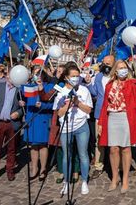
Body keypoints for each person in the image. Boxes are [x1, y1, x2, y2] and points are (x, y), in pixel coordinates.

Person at [98, 60, 136, 194]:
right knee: (113, 149)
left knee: (126, 149)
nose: (123, 70)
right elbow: (105, 104)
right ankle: (115, 178)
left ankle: (125, 179)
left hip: (126, 118)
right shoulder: (110, 85)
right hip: (112, 118)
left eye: (125, 68)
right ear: (115, 70)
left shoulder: (132, 83)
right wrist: (101, 123)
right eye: (120, 68)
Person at [54, 64, 93, 195]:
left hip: (82, 126)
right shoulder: (60, 91)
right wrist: (68, 104)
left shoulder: (83, 90)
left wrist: (78, 103)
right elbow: (59, 113)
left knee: (83, 154)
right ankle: (66, 182)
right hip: (66, 127)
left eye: (77, 76)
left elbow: (88, 110)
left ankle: (84, 182)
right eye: (73, 76)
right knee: (67, 155)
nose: (76, 78)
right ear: (66, 77)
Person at [0, 72, 24, 183]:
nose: (11, 78)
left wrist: (19, 112)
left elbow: (24, 107)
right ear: (7, 77)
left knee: (12, 149)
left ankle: (10, 170)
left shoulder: (20, 90)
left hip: (12, 123)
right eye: (10, 76)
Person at [86, 55, 115, 179]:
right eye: (104, 63)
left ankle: (114, 166)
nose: (106, 65)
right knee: (99, 140)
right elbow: (94, 92)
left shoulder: (117, 77)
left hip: (114, 112)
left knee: (114, 140)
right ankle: (99, 165)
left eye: (108, 63)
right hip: (99, 112)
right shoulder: (98, 76)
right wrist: (88, 83)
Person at [23, 70, 55, 181]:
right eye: (35, 73)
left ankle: (43, 169)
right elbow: (21, 93)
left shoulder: (50, 86)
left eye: (39, 73)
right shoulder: (29, 86)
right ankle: (34, 168)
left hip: (42, 119)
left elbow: (52, 105)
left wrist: (43, 105)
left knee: (42, 145)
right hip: (32, 118)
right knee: (33, 145)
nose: (37, 75)